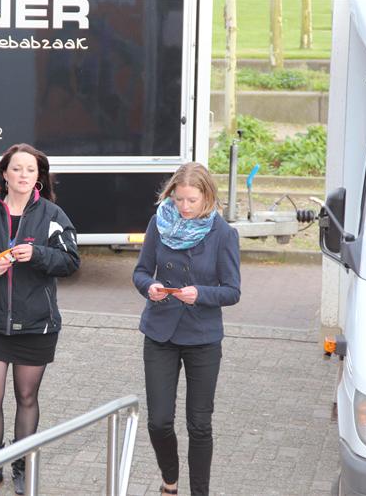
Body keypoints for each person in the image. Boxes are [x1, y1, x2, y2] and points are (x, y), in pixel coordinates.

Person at [0, 143, 80, 496]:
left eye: (30, 169)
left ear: (39, 177)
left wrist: (37, 254)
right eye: (17, 168)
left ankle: (22, 466)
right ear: (4, 174)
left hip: (36, 324)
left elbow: (71, 261)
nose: (23, 175)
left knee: (26, 397)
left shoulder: (53, 215)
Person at [132, 163, 240, 496]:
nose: (184, 207)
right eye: (179, 199)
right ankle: (170, 480)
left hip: (202, 338)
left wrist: (201, 294)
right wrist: (149, 286)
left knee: (200, 425)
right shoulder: (158, 223)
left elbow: (232, 291)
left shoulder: (223, 233)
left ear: (207, 196)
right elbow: (140, 271)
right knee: (159, 421)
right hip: (160, 334)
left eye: (192, 200)